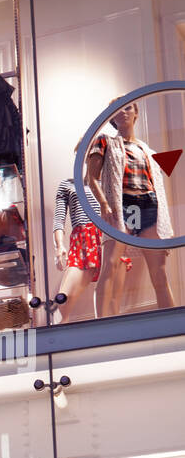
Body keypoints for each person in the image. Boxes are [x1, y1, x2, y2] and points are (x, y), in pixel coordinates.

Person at [86, 102, 176, 316]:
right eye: (117, 109)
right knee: (110, 264)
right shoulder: (104, 141)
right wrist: (104, 203)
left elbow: (157, 183)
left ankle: (174, 324)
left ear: (136, 113)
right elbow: (90, 178)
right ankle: (102, 325)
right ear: (111, 117)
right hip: (121, 205)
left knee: (159, 273)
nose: (123, 112)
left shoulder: (147, 149)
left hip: (149, 205)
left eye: (127, 107)